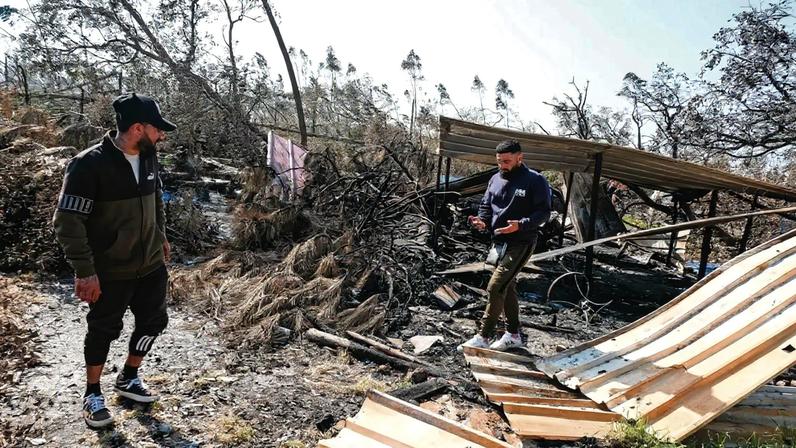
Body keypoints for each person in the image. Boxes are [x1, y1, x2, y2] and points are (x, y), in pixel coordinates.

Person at [53, 93, 175, 428]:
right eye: (157, 129)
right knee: (103, 330)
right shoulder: (89, 164)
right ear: (138, 128)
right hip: (110, 270)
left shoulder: (149, 159)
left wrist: (160, 234)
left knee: (154, 322)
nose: (161, 135)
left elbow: (155, 201)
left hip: (151, 265)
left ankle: (129, 377)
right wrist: (85, 271)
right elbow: (67, 222)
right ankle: (93, 393)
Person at [458, 139, 551, 352]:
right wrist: (482, 221)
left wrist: (521, 225)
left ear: (520, 158)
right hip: (498, 242)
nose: (503, 165)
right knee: (507, 287)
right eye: (499, 161)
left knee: (495, 286)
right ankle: (513, 335)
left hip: (522, 242)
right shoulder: (494, 179)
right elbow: (486, 205)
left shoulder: (535, 180)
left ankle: (484, 336)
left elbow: (544, 212)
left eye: (507, 161)